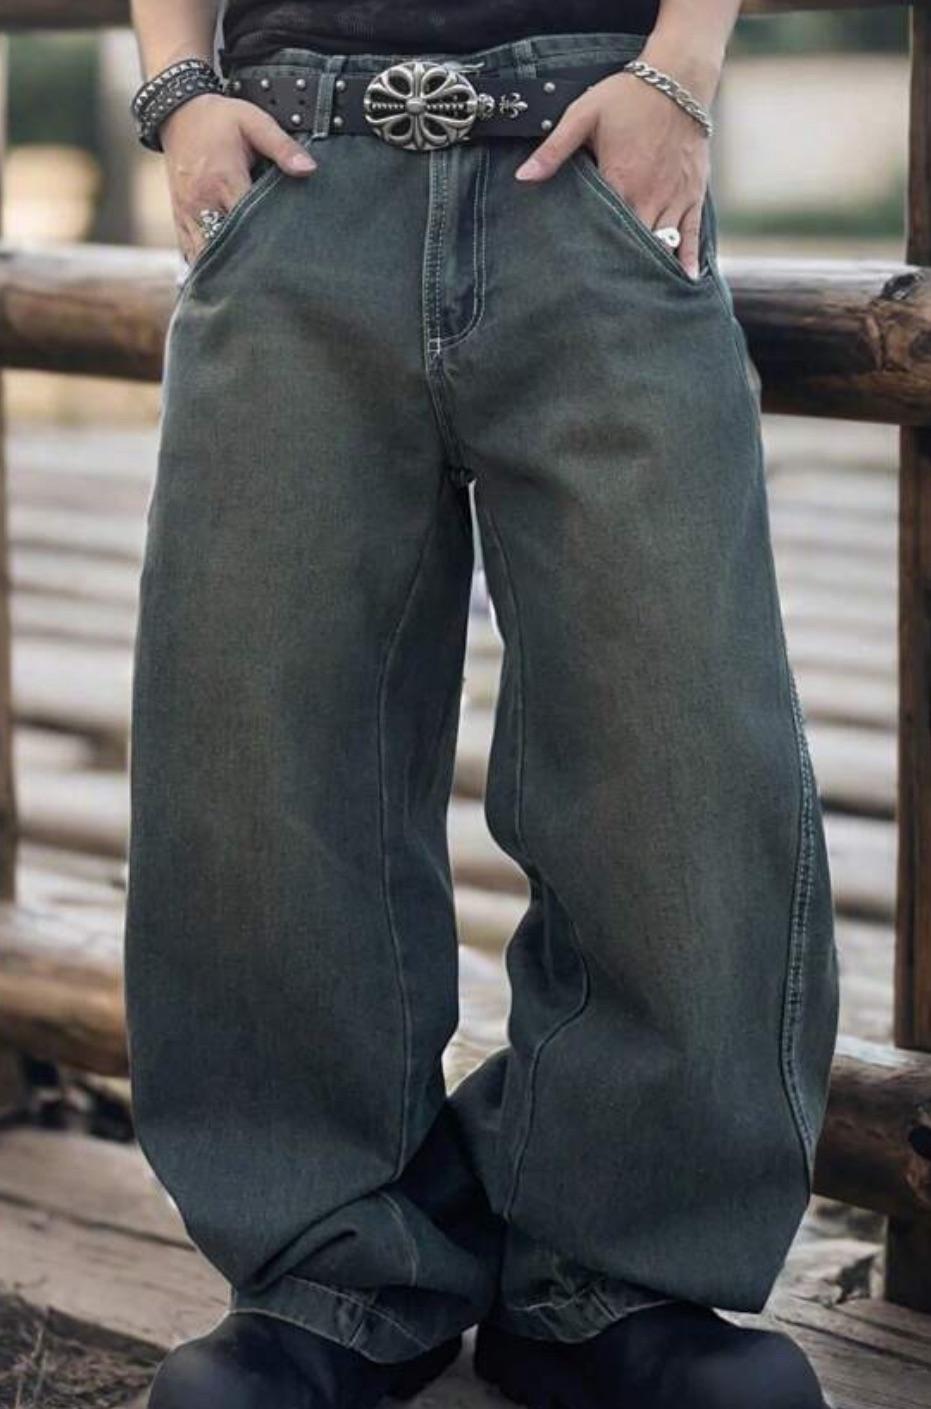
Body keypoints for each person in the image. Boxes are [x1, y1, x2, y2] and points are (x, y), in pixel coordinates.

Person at [124, 1, 840, 1405]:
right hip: (294, 159)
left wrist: (681, 72)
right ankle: (331, 1266)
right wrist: (179, 89)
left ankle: (609, 1274)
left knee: (680, 733)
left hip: (591, 151)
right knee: (256, 741)